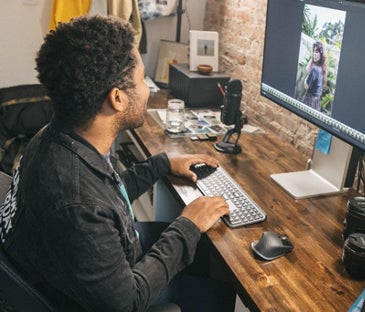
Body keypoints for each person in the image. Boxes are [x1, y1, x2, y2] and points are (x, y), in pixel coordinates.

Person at [0, 15, 235, 311]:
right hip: (106, 295)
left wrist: (161, 164)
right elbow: (129, 301)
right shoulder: (76, 201)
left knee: (204, 249)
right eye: (141, 81)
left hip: (92, 258)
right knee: (219, 292)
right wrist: (188, 224)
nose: (148, 89)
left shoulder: (58, 137)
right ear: (117, 98)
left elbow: (107, 192)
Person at [303, 41, 327, 111]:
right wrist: (313, 57)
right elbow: (307, 69)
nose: (314, 54)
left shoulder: (315, 69)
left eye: (317, 52)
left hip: (309, 101)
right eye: (314, 51)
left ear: (321, 54)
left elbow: (306, 86)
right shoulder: (322, 68)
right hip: (316, 103)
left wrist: (305, 79)